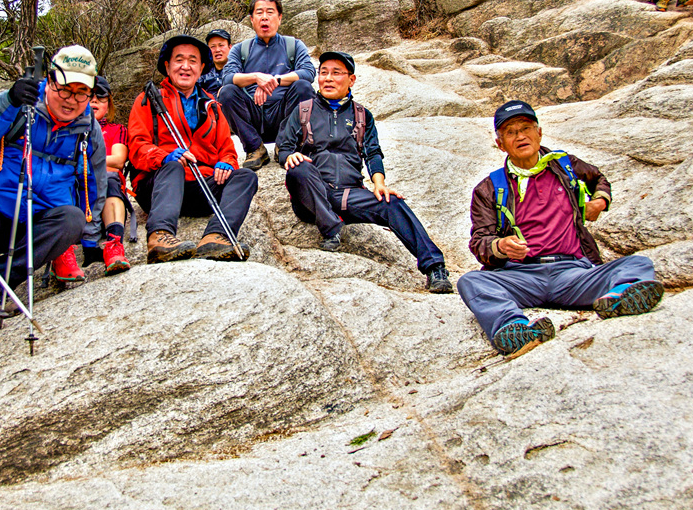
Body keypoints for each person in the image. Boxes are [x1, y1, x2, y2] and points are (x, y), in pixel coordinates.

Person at [456, 101, 663, 358]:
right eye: (510, 132)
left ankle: (618, 299)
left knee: (638, 263)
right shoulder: (489, 188)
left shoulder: (565, 167)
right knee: (471, 281)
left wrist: (600, 201)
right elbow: (480, 241)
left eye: (526, 128)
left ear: (539, 133)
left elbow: (598, 179)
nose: (520, 136)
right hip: (521, 277)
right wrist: (500, 246)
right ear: (500, 144)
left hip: (573, 274)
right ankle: (514, 329)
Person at [0, 46, 107, 328]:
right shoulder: (21, 102)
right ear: (50, 81)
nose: (71, 100)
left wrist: (90, 241)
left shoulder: (89, 128)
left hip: (38, 224)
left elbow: (93, 184)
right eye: (64, 89)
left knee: (72, 220)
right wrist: (8, 100)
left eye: (81, 93)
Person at [276, 52, 452, 293]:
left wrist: (379, 184)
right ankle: (330, 228)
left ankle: (435, 268)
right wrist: (289, 157)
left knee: (392, 203)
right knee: (299, 168)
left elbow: (372, 153)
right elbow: (284, 148)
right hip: (311, 195)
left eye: (336, 73)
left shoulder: (362, 115)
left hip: (348, 196)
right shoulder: (303, 110)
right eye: (323, 72)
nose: (328, 78)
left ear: (352, 79)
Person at [129, 35, 258, 263]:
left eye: (193, 61)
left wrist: (227, 163)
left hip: (200, 185)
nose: (186, 66)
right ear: (167, 66)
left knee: (246, 177)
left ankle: (216, 237)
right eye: (179, 60)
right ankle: (160, 236)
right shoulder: (148, 100)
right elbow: (137, 146)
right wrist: (164, 157)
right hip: (159, 186)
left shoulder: (213, 106)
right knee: (173, 166)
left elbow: (227, 149)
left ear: (201, 68)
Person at [217, 0, 316, 170]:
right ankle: (255, 148)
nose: (264, 17)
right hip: (253, 114)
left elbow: (308, 72)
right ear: (251, 19)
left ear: (279, 18)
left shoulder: (293, 45)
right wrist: (256, 78)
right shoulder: (240, 49)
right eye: (259, 13)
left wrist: (274, 81)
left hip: (285, 114)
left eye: (270, 12)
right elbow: (228, 77)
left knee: (304, 87)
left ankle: (285, 146)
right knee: (226, 93)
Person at [85, 76, 131, 274]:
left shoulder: (116, 130)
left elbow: (118, 160)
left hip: (107, 190)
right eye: (89, 96)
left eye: (101, 97)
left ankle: (114, 244)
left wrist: (83, 161)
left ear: (109, 104)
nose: (94, 101)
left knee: (110, 179)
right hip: (78, 196)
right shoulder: (68, 130)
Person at [197, 28, 232, 95]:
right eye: (213, 46)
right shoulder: (204, 72)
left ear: (230, 47)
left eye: (221, 45)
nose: (217, 50)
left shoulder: (239, 69)